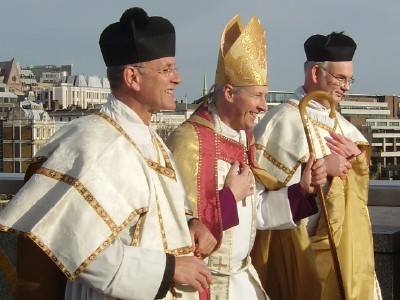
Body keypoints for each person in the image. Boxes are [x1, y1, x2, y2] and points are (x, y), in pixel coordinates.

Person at [0, 7, 216, 300]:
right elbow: (82, 250)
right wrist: (169, 269)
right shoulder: (92, 143)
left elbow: (156, 210)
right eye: (166, 69)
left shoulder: (151, 139)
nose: (177, 78)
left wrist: (190, 223)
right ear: (132, 77)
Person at [166, 14, 327, 300]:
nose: (264, 106)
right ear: (229, 92)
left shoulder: (244, 137)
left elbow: (255, 213)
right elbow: (179, 231)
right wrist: (229, 196)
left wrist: (301, 191)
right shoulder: (188, 141)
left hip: (241, 281)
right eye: (257, 96)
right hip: (204, 286)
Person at [252, 32, 382, 299]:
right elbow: (259, 197)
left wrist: (357, 162)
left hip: (343, 255)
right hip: (301, 255)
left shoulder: (345, 128)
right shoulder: (279, 122)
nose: (347, 87)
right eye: (341, 78)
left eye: (350, 79)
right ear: (315, 73)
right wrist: (320, 169)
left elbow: (357, 197)